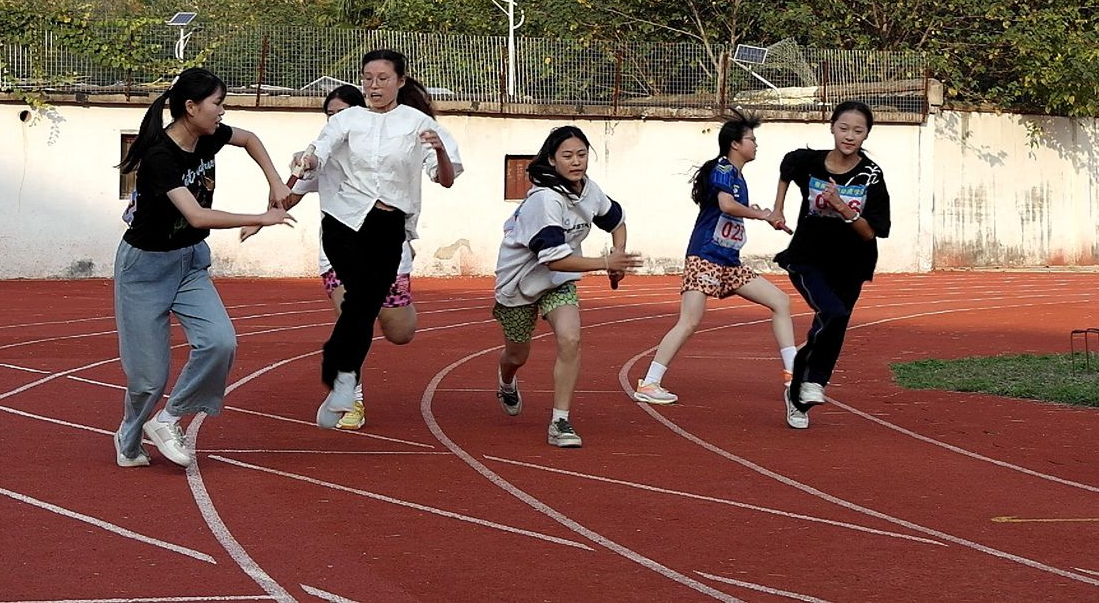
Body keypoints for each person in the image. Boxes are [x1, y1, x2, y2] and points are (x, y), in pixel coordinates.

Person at [113, 67, 294, 468]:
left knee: (220, 342)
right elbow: (196, 215)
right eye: (218, 103)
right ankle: (129, 436)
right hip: (144, 270)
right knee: (148, 379)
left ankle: (168, 419)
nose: (223, 112)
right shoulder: (160, 157)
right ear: (191, 107)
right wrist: (261, 217)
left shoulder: (208, 136)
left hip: (190, 262)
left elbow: (250, 139)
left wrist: (276, 182)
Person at [293, 50, 463, 429]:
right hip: (345, 223)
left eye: (383, 78)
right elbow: (321, 149)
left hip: (389, 228)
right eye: (367, 78)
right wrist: (308, 160)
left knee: (380, 319)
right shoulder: (347, 119)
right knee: (357, 305)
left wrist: (439, 151)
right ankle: (344, 386)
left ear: (400, 81)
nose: (374, 86)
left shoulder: (419, 125)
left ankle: (343, 379)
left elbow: (445, 178)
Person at [251, 84, 419, 430]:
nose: (335, 121)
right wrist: (284, 182)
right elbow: (286, 197)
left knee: (400, 332)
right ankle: (351, 396)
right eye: (329, 115)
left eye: (341, 114)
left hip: (388, 257)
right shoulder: (321, 157)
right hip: (341, 257)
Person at [493, 126, 642, 448]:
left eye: (582, 154)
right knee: (517, 354)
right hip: (519, 282)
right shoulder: (545, 200)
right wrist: (605, 262)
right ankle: (506, 380)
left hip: (558, 283)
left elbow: (617, 222)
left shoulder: (589, 190)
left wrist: (618, 254)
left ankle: (560, 421)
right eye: (568, 156)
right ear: (552, 160)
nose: (576, 162)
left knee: (571, 338)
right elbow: (554, 260)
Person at [634, 112, 797, 406]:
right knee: (689, 320)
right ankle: (649, 382)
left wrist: (764, 215)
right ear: (735, 144)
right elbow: (726, 205)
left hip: (730, 262)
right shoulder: (723, 168)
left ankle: (793, 374)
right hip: (706, 256)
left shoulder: (738, 177)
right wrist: (760, 214)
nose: (756, 145)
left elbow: (733, 208)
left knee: (780, 302)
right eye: (751, 139)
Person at [770, 100, 891, 430]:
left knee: (831, 325)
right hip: (808, 258)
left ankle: (803, 391)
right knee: (832, 314)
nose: (849, 136)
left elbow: (871, 232)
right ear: (832, 127)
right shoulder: (810, 162)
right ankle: (811, 380)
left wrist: (843, 207)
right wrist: (778, 209)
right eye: (843, 128)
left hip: (852, 263)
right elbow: (787, 165)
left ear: (866, 135)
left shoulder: (871, 175)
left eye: (858, 131)